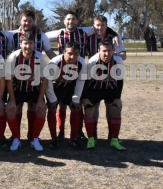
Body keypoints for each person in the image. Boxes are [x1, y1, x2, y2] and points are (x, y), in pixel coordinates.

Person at [45, 11, 119, 142]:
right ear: (64, 21)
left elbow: (100, 27)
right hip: (60, 72)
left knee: (77, 103)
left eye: (73, 19)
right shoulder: (59, 33)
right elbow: (42, 35)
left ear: (77, 21)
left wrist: (114, 34)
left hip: (77, 73)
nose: (70, 22)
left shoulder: (84, 32)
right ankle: (60, 132)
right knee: (60, 105)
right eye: (68, 19)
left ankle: (77, 133)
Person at [5, 32, 55, 151]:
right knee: (11, 110)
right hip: (18, 89)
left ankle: (34, 138)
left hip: (34, 89)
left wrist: (40, 100)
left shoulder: (39, 57)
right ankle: (16, 138)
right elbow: (9, 80)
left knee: (41, 110)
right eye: (25, 43)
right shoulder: (14, 57)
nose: (28, 46)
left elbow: (44, 79)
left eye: (30, 43)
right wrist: (11, 100)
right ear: (20, 44)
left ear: (34, 44)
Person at [87, 15, 127, 141]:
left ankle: (112, 136)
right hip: (94, 75)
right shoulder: (88, 35)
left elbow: (123, 55)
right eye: (97, 25)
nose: (100, 28)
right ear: (93, 25)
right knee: (93, 107)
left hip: (110, 74)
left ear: (106, 25)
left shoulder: (114, 38)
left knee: (112, 107)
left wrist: (115, 54)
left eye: (103, 25)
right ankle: (93, 135)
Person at [82, 38, 126, 150]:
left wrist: (117, 97)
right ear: (98, 51)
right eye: (104, 51)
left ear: (113, 51)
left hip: (110, 89)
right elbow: (85, 81)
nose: (107, 53)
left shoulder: (118, 61)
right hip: (94, 88)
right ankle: (91, 139)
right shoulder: (92, 61)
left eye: (109, 50)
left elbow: (120, 80)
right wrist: (85, 98)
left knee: (116, 109)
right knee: (89, 110)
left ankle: (114, 140)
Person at [46, 42, 87, 149]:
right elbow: (48, 81)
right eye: (70, 53)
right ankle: (55, 138)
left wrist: (76, 98)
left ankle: (73, 138)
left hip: (70, 86)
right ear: (64, 52)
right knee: (52, 108)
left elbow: (81, 81)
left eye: (76, 54)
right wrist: (52, 98)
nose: (73, 56)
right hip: (56, 87)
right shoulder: (54, 62)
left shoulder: (82, 63)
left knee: (76, 108)